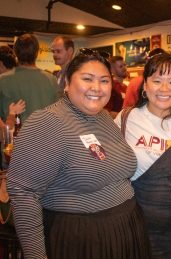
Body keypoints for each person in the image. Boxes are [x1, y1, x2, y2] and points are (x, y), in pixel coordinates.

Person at [7, 49, 151, 259]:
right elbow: (24, 194)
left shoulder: (104, 118)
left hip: (125, 230)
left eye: (104, 80)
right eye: (87, 79)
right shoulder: (47, 122)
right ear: (67, 82)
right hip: (82, 239)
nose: (97, 88)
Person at [115, 52, 171, 258]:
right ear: (144, 86)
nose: (164, 89)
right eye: (157, 81)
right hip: (139, 233)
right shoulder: (126, 119)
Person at [0, 34, 59, 122]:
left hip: (15, 134)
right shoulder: (52, 80)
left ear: (15, 52)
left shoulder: (3, 80)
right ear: (37, 53)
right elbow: (57, 115)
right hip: (46, 134)